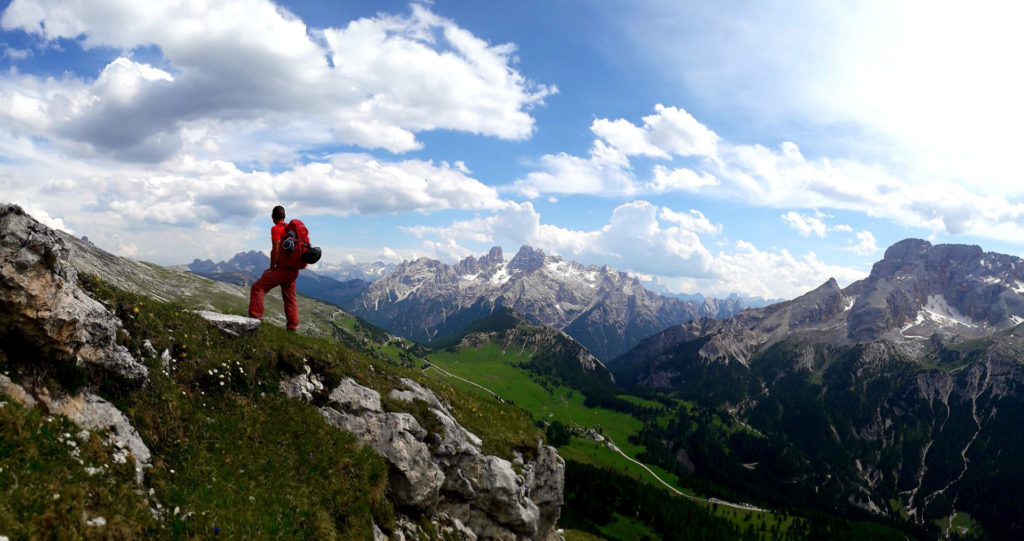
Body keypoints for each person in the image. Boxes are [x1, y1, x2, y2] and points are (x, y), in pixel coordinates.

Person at [248, 205, 299, 331]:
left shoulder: (276, 229)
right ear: (284, 216)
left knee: (257, 288)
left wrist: (272, 268)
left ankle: (255, 320)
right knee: (290, 298)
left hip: (282, 269)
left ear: (272, 217)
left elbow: (275, 249)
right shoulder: (292, 229)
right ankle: (292, 328)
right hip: (293, 270)